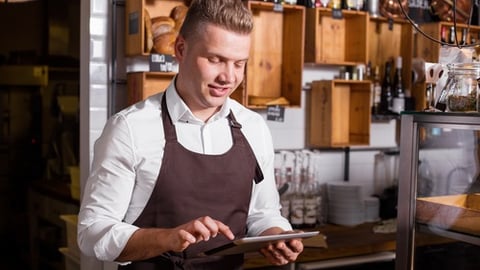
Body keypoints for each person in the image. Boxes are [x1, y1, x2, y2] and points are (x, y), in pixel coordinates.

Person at [77, 0, 304, 269]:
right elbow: (92, 232)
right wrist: (168, 238)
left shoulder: (254, 127)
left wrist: (277, 236)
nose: (228, 77)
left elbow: (263, 213)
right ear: (181, 49)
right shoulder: (130, 128)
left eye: (239, 64)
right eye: (215, 59)